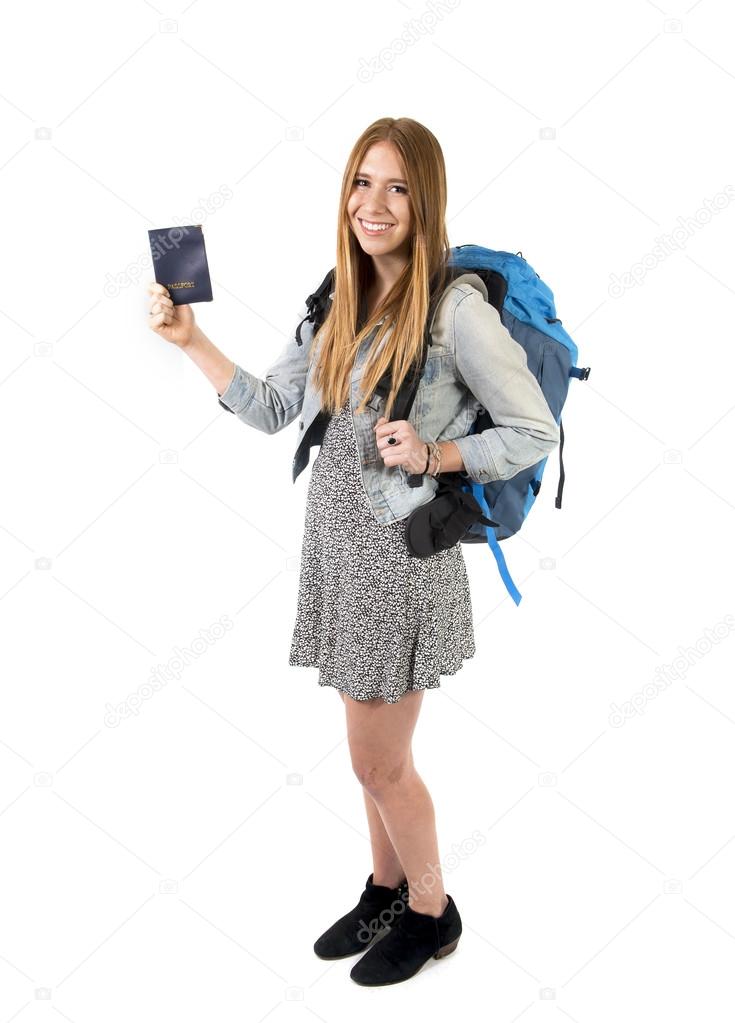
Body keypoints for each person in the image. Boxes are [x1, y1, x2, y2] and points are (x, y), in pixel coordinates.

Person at [147, 116, 559, 986]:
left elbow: (532, 429)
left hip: (400, 562)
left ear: (426, 201)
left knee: (378, 760)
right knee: (368, 753)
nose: (375, 203)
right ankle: (385, 884)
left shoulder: (455, 311)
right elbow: (267, 409)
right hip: (336, 554)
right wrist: (191, 341)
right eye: (363, 181)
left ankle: (432, 909)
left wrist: (440, 453)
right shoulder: (338, 294)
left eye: (398, 187)